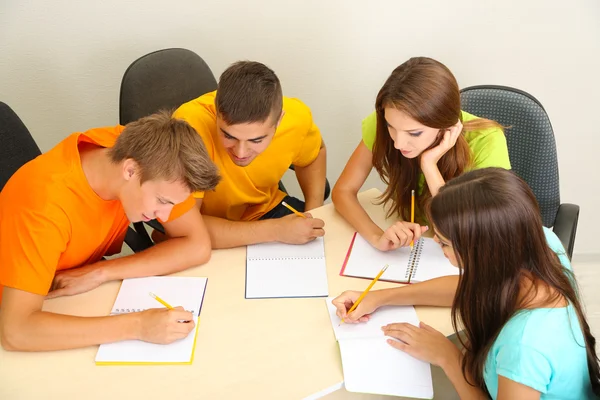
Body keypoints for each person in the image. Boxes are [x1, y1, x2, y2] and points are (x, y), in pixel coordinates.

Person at [333, 168, 599, 399]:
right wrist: (380, 298)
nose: (436, 243)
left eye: (445, 242)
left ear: (483, 251)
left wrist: (449, 358)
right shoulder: (540, 243)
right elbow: (468, 287)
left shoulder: (523, 347)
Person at [0, 111, 220, 351]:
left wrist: (100, 272)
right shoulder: (43, 206)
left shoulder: (139, 149)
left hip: (68, 298)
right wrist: (138, 326)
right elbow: (16, 331)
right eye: (162, 201)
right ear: (130, 171)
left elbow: (196, 244)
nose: (165, 217)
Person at [332, 57, 511, 252]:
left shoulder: (487, 140)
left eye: (414, 133)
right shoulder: (385, 123)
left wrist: (429, 165)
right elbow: (343, 191)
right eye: (391, 127)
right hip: (418, 242)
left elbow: (471, 233)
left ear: (444, 124)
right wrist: (377, 237)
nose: (398, 143)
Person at [161, 60, 327, 249]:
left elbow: (315, 153)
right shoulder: (188, 127)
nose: (240, 152)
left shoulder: (297, 118)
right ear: (216, 112)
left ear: (279, 120)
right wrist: (276, 230)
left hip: (268, 211)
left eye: (256, 140)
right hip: (208, 225)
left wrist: (315, 210)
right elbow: (184, 229)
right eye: (228, 135)